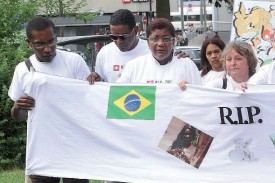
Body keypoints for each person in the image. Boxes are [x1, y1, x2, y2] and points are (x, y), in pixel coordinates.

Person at [8, 17, 90, 183]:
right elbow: (19, 117)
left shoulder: (74, 61)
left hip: (74, 148)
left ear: (56, 37)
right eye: (40, 44)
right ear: (29, 43)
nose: (48, 49)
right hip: (42, 149)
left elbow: (89, 104)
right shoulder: (23, 70)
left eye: (51, 42)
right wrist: (18, 107)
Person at [87, 9, 187, 84]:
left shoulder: (152, 50)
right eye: (114, 37)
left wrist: (180, 59)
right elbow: (103, 84)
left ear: (135, 30)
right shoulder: (104, 53)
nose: (119, 41)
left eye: (124, 36)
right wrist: (97, 80)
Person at [117, 18, 202, 86]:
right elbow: (117, 94)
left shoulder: (187, 65)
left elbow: (199, 97)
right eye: (155, 39)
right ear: (148, 42)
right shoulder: (133, 67)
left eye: (166, 39)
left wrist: (190, 90)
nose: (160, 44)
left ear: (173, 41)